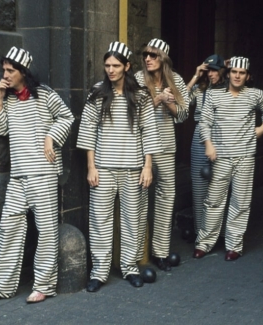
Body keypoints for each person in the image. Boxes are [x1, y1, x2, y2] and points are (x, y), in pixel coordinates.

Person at [0, 47, 74, 303]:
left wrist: (50, 136)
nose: (5, 75)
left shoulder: (44, 95)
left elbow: (67, 117)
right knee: (8, 227)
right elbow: (2, 130)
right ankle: (2, 287)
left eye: (10, 71)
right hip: (19, 175)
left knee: (46, 230)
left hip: (43, 173)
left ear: (23, 72)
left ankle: (44, 285)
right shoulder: (9, 99)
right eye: (4, 70)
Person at [77, 41, 161, 291]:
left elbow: (150, 133)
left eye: (115, 65)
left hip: (133, 169)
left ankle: (130, 267)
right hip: (103, 168)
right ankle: (99, 271)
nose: (110, 70)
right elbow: (88, 131)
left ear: (127, 66)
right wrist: (91, 167)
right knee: (100, 220)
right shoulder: (97, 93)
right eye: (107, 65)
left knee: (133, 220)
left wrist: (148, 167)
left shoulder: (141, 95)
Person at [193, 56, 263, 261]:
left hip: (245, 156)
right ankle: (204, 243)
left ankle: (234, 246)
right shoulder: (214, 96)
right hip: (220, 157)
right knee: (213, 202)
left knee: (240, 202)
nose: (237, 76)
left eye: (242, 73)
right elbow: (204, 122)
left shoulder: (256, 95)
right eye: (234, 72)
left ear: (247, 76)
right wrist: (209, 145)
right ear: (228, 74)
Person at [134, 38, 190, 271]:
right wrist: (157, 99)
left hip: (166, 147)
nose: (147, 58)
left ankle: (160, 253)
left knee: (166, 200)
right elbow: (132, 113)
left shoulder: (175, 80)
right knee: (138, 200)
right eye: (146, 54)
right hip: (141, 148)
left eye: (153, 55)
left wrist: (169, 102)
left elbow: (184, 115)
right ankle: (136, 256)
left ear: (163, 58)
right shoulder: (137, 79)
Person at [186, 54, 227, 239]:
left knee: (220, 187)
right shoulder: (200, 89)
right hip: (199, 140)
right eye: (208, 70)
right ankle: (200, 233)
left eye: (215, 70)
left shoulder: (229, 90)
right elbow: (181, 100)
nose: (211, 74)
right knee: (199, 188)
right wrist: (196, 75)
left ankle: (218, 234)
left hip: (222, 138)